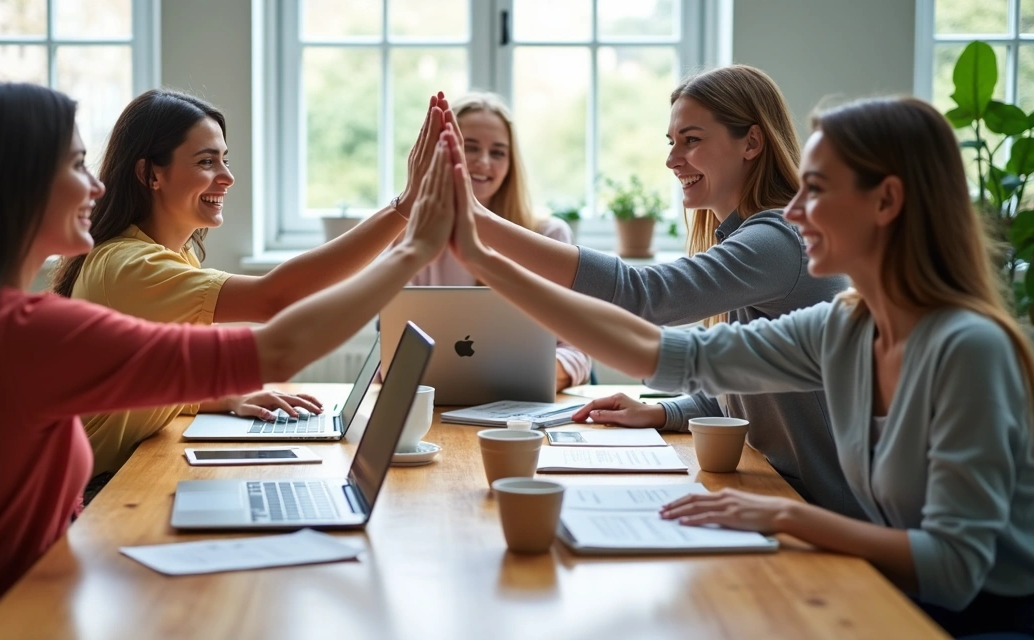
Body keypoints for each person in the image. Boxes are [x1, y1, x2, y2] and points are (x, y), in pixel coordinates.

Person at [0, 80, 460, 637]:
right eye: (78, 165)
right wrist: (413, 245)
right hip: (20, 617)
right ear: (17, 184)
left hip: (34, 593)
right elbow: (278, 338)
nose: (96, 185)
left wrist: (212, 393)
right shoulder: (32, 329)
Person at [444, 96, 1034, 637]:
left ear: (886, 201)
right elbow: (674, 357)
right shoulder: (845, 327)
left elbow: (955, 572)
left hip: (978, 619)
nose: (795, 213)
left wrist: (783, 515)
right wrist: (480, 258)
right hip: (894, 593)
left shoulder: (968, 349)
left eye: (817, 190)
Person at [450, 66, 860, 518]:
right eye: (672, 142)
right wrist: (662, 412)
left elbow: (645, 294)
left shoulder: (780, 240)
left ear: (751, 143)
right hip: (783, 494)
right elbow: (742, 385)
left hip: (824, 508)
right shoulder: (748, 239)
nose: (672, 159)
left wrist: (480, 225)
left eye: (691, 140)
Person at [49, 89, 453, 480]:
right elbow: (276, 299)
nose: (227, 177)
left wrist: (223, 399)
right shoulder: (128, 265)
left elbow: (145, 374)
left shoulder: (170, 257)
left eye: (224, 160)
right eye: (207, 162)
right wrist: (403, 209)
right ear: (150, 174)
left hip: (115, 476)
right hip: (97, 490)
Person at [406, 92, 590, 391]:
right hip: (438, 408)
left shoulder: (548, 235)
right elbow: (391, 356)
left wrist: (505, 379)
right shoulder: (411, 236)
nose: (483, 162)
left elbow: (576, 353)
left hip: (521, 407)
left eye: (498, 152)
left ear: (511, 163)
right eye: (469, 147)